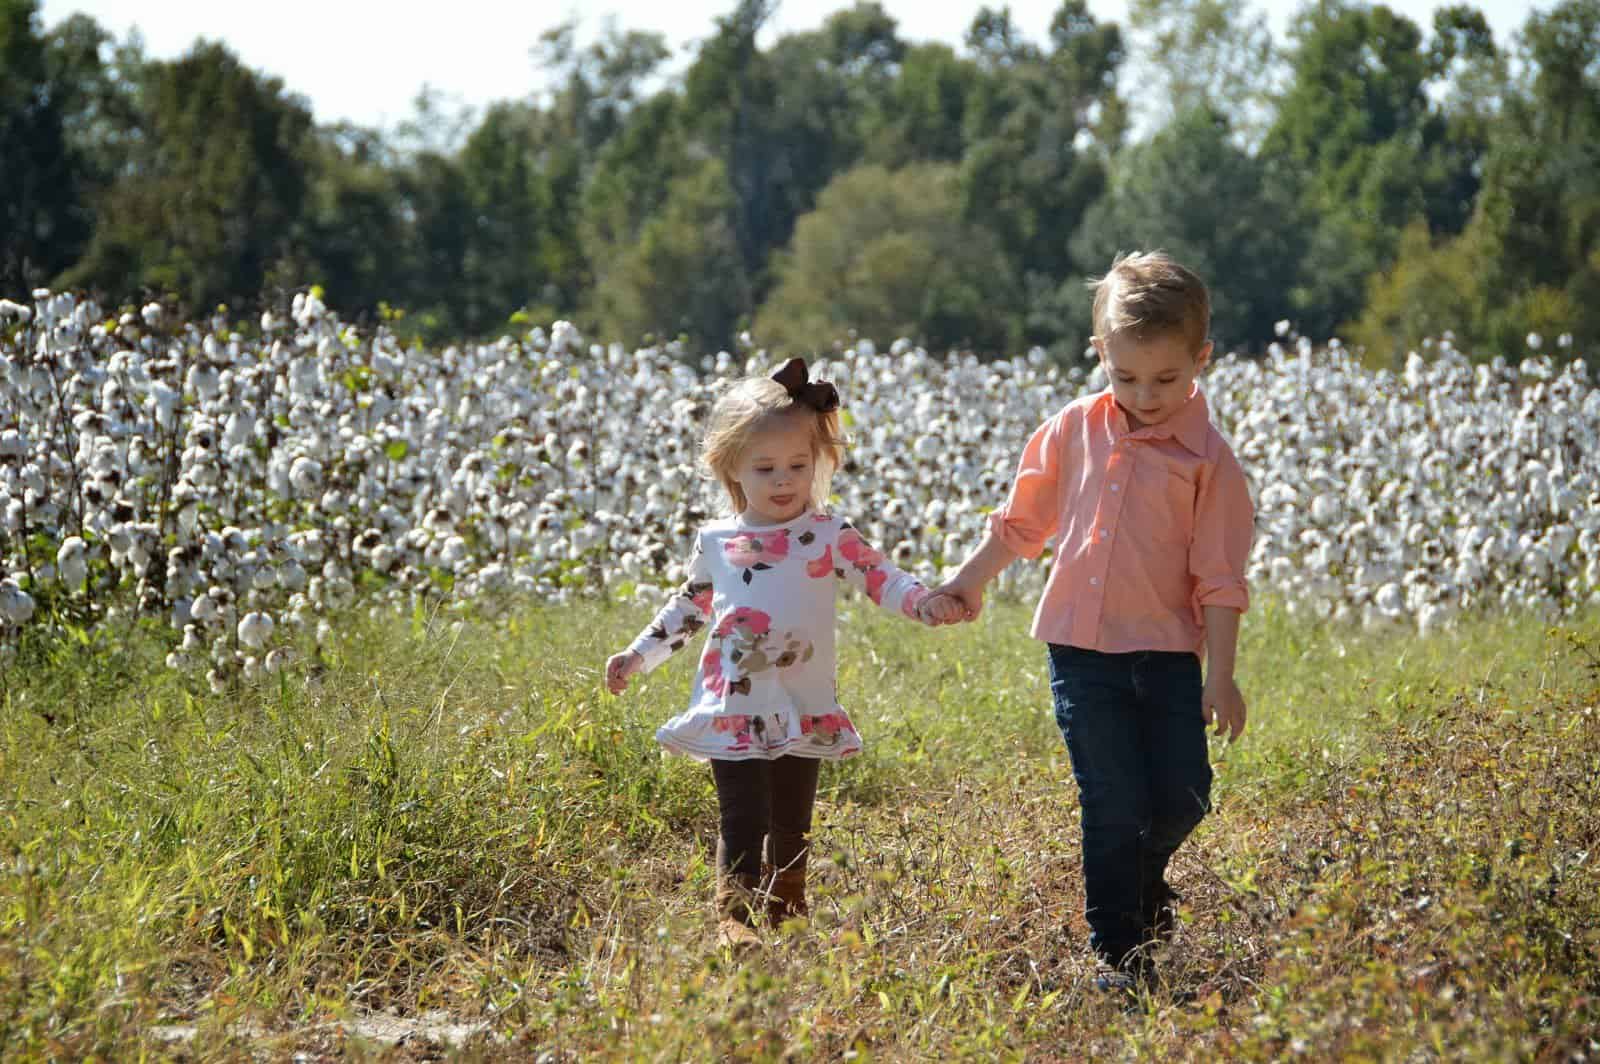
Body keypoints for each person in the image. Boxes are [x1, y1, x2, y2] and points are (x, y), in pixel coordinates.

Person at [939, 251, 1254, 995]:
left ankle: (1140, 887)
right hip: (1081, 651)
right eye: (1126, 378)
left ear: (1201, 359)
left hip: (1170, 655)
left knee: (1183, 797)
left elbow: (1220, 577)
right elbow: (1023, 523)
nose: (1145, 396)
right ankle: (1119, 951)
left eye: (1167, 380)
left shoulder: (1211, 460)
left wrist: (1223, 674)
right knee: (1111, 799)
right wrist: (966, 582)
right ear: (1099, 354)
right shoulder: (1072, 429)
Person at [605, 357, 965, 951]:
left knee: (793, 818)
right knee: (742, 816)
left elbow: (881, 576)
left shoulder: (827, 532)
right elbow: (688, 609)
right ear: (731, 468)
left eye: (798, 465)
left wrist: (923, 603)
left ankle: (788, 909)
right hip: (735, 702)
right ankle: (736, 922)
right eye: (766, 467)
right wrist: (638, 655)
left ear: (818, 463)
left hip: (804, 701)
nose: (783, 480)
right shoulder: (717, 541)